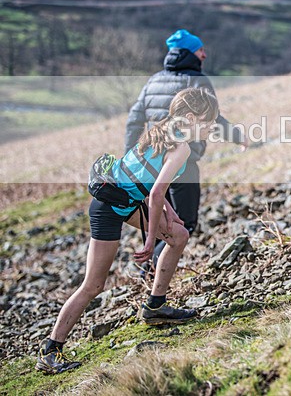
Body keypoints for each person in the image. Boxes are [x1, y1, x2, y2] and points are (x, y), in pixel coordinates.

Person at [36, 88, 220, 374]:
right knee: (94, 286)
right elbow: (156, 194)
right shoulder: (181, 147)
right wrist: (149, 239)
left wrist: (173, 219)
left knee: (180, 235)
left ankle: (156, 307)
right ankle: (51, 351)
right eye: (209, 121)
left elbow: (149, 183)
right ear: (193, 118)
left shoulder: (161, 130)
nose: (212, 127)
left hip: (125, 202)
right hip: (109, 208)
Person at [125, 29, 247, 270]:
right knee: (184, 223)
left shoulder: (154, 80)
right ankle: (152, 275)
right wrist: (239, 138)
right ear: (191, 53)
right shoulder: (197, 81)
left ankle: (150, 273)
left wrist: (132, 156)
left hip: (151, 165)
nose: (204, 54)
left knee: (161, 221)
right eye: (200, 50)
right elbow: (215, 118)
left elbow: (134, 120)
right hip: (183, 164)